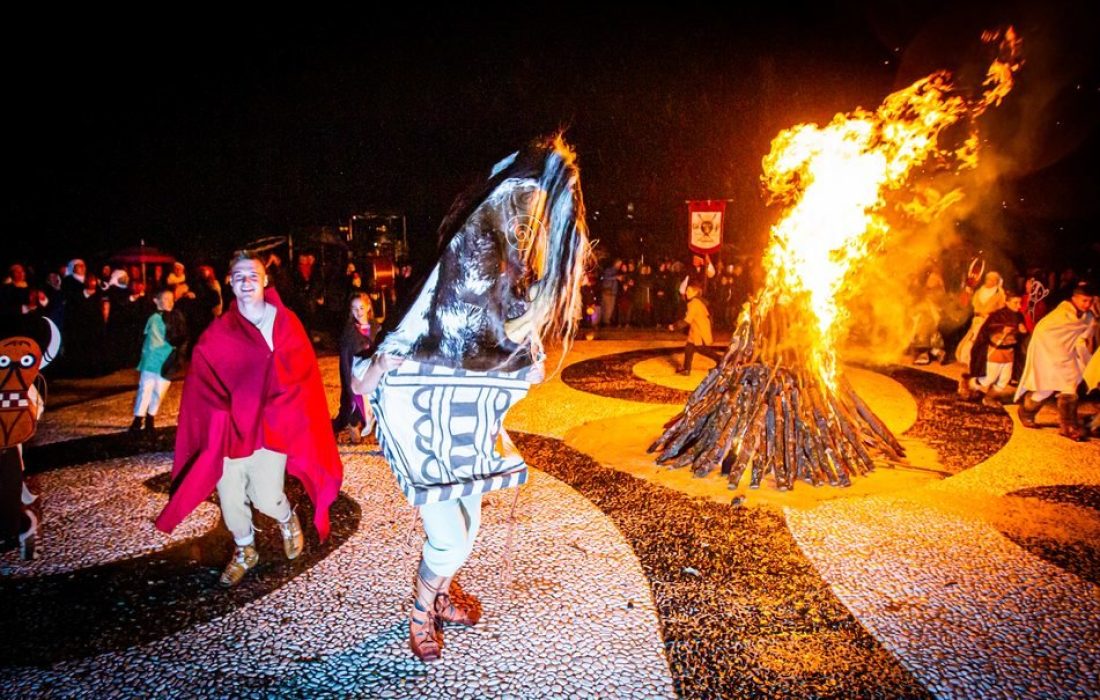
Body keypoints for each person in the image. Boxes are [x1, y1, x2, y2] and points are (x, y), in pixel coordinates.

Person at [353, 136, 589, 663]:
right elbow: (359, 386)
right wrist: (381, 365)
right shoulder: (431, 298)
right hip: (421, 433)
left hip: (460, 429)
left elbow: (519, 359)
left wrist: (527, 360)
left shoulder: (506, 289)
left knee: (471, 526)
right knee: (451, 540)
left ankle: (439, 593)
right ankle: (419, 612)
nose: (524, 231)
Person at [155, 251, 343, 586]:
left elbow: (302, 376)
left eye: (252, 275)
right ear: (230, 282)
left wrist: (284, 406)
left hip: (270, 430)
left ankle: (286, 518)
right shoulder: (217, 333)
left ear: (265, 280)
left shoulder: (285, 323)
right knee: (230, 502)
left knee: (266, 496)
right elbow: (203, 380)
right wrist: (219, 413)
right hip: (229, 434)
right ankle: (245, 550)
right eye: (239, 276)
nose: (245, 282)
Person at [1015, 281, 1099, 441]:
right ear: (1075, 298)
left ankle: (1067, 426)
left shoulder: (1088, 317)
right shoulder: (1061, 314)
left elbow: (1083, 339)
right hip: (1050, 356)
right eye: (1084, 300)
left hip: (1068, 357)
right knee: (1044, 390)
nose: (1087, 305)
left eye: (1090, 301)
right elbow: (1043, 332)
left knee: (1069, 388)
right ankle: (1026, 411)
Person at [128, 288, 184, 435]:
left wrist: (178, 355)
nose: (170, 302)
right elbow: (136, 321)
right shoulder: (150, 316)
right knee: (145, 387)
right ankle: (138, 417)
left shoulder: (176, 316)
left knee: (160, 389)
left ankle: (151, 416)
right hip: (151, 358)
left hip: (167, 358)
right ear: (156, 300)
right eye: (166, 299)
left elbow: (183, 336)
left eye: (172, 299)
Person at [960, 291, 1026, 407]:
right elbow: (988, 330)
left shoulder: (1019, 316)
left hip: (1010, 353)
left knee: (1003, 381)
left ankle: (989, 398)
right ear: (1007, 302)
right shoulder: (997, 315)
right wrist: (1001, 330)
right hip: (996, 352)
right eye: (1016, 303)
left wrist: (1022, 330)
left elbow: (1020, 333)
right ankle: (968, 384)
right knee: (988, 379)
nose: (1019, 306)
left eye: (1020, 303)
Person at [332, 292, 379, 442]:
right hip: (356, 375)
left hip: (374, 373)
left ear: (368, 307)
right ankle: (349, 424)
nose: (358, 312)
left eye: (361, 308)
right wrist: (347, 382)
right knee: (353, 404)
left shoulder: (376, 328)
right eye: (354, 309)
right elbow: (345, 358)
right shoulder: (350, 332)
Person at [669, 282, 722, 375]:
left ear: (695, 293)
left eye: (688, 291)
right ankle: (686, 369)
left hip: (700, 331)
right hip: (695, 330)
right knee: (689, 348)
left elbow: (687, 320)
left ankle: (721, 360)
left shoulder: (695, 303)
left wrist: (674, 326)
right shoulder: (695, 302)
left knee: (702, 349)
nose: (686, 292)